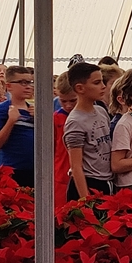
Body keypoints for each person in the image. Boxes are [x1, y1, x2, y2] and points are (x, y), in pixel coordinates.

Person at [64, 63, 114, 200]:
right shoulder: (75, 121)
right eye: (97, 83)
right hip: (88, 184)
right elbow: (76, 166)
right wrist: (85, 199)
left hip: (106, 182)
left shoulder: (101, 111)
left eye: (103, 81)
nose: (103, 86)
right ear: (80, 88)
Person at [0, 66, 36, 187]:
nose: (28, 86)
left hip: (35, 170)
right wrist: (11, 121)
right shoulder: (2, 110)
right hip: (11, 170)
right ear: (9, 86)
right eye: (22, 82)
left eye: (30, 82)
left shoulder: (35, 110)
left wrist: (40, 120)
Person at [53, 72, 76, 207]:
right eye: (63, 101)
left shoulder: (93, 115)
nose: (68, 105)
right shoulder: (56, 118)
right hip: (61, 176)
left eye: (73, 100)